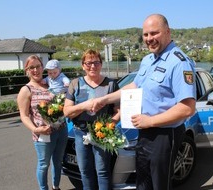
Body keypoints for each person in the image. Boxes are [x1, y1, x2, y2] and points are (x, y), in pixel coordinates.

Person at [92, 14, 196, 190]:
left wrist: (150, 121)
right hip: (144, 132)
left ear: (168, 32)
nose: (149, 39)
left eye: (154, 33)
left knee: (159, 185)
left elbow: (187, 108)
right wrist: (105, 99)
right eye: (146, 35)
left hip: (165, 134)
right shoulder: (148, 60)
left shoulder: (179, 62)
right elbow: (134, 85)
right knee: (142, 184)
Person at [63, 49, 120, 190]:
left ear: (101, 64)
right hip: (80, 133)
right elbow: (67, 111)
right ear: (83, 65)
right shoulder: (75, 84)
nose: (92, 66)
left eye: (96, 62)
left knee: (102, 171)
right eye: (88, 63)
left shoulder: (111, 84)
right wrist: (84, 105)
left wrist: (109, 125)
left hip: (102, 133)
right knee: (85, 171)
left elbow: (119, 111)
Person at [17, 55, 68, 190]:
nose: (35, 70)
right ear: (27, 70)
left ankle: (56, 187)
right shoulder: (26, 90)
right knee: (44, 164)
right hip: (43, 134)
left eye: (38, 66)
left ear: (42, 67)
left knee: (58, 162)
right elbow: (24, 115)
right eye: (31, 67)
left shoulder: (50, 82)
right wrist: (36, 129)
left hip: (61, 130)